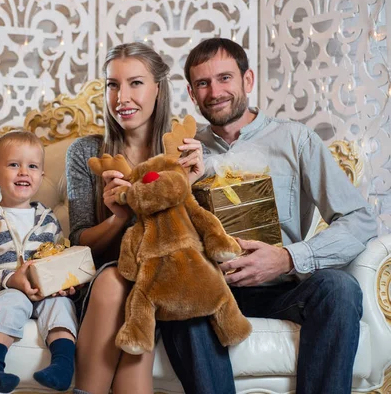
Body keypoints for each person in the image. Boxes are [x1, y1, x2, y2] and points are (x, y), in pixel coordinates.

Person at [160, 37, 378, 394]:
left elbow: (360, 220)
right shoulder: (181, 151)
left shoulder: (295, 140)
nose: (215, 91)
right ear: (191, 92)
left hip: (281, 290)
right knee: (179, 296)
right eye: (203, 83)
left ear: (248, 80)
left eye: (225, 78)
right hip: (210, 292)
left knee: (340, 288)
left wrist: (288, 258)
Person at [65, 42, 204, 394]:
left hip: (167, 279)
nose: (121, 97)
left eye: (135, 83)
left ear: (159, 87)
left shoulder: (185, 151)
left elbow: (201, 238)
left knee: (139, 291)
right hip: (106, 281)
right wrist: (117, 218)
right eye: (113, 85)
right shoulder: (85, 153)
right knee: (116, 283)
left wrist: (192, 185)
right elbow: (79, 243)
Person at [0, 131, 79, 394]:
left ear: (41, 175)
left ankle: (62, 366)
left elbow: (59, 261)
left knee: (61, 304)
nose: (23, 172)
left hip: (43, 292)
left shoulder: (47, 220)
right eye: (14, 165)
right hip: (0, 291)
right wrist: (9, 280)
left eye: (32, 166)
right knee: (12, 301)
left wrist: (65, 285)